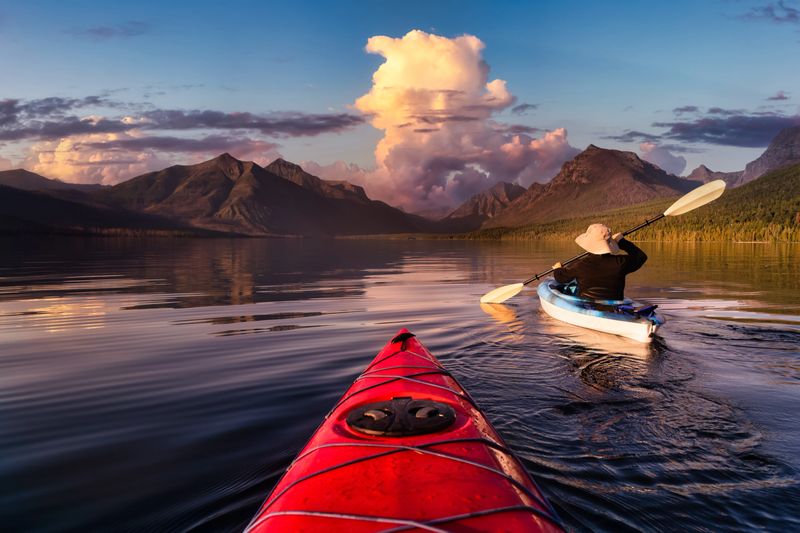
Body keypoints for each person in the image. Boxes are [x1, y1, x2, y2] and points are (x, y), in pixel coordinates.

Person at [551, 223, 647, 301]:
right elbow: (641, 257)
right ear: (609, 244)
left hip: (587, 305)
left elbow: (561, 278)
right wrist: (622, 242)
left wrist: (558, 269)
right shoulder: (620, 263)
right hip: (615, 306)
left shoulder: (580, 265)